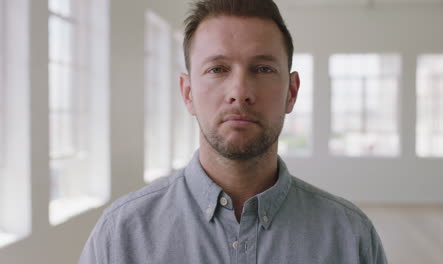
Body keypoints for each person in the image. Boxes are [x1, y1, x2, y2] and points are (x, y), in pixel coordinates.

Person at [79, 0, 388, 263]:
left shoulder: (350, 237)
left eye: (263, 68)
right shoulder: (121, 236)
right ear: (188, 93)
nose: (240, 92)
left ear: (291, 92)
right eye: (217, 69)